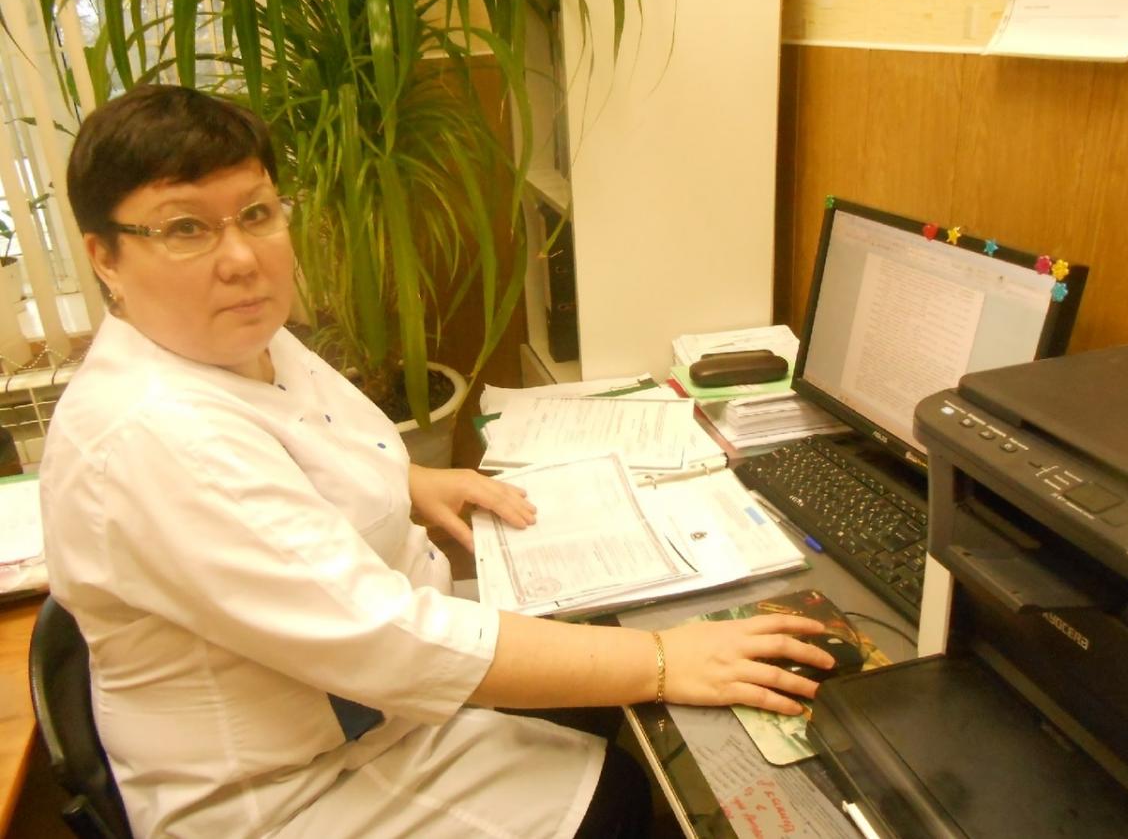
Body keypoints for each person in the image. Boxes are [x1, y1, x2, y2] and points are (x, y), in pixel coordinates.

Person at [40, 85, 835, 839]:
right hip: (295, 791)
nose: (242, 258)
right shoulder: (154, 435)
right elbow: (387, 639)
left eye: (257, 213)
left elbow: (304, 444)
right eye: (186, 229)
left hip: (357, 709)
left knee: (602, 674)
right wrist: (663, 661)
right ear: (104, 255)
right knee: (623, 787)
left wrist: (411, 482)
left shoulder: (233, 336)